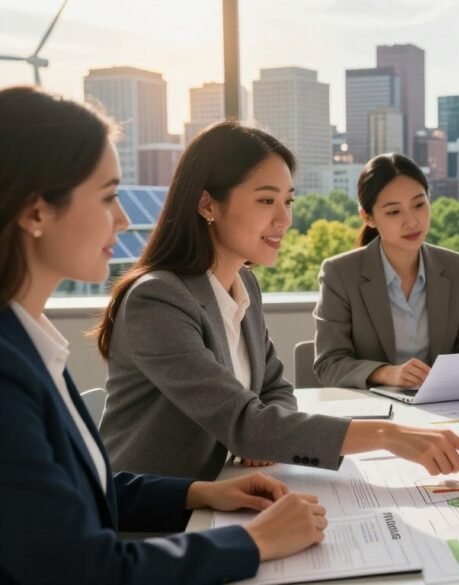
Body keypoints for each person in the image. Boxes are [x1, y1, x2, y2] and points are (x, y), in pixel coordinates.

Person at [0, 86, 335, 583]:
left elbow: (88, 491)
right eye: (109, 195)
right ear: (35, 211)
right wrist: (254, 541)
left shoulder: (30, 345)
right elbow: (86, 570)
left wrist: (199, 492)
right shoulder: (7, 372)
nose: (125, 217)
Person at [97, 123, 459, 481]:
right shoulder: (158, 299)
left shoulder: (243, 285)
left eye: (288, 201)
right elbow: (244, 421)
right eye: (266, 201)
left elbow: (274, 388)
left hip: (224, 488)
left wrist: (264, 434)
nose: (285, 219)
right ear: (207, 205)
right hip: (153, 517)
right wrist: (386, 435)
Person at [313, 153, 459, 389]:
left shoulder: (454, 267)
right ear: (368, 217)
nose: (412, 221)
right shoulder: (339, 273)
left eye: (419, 205)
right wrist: (387, 374)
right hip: (374, 412)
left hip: (440, 407)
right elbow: (329, 364)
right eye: (393, 212)